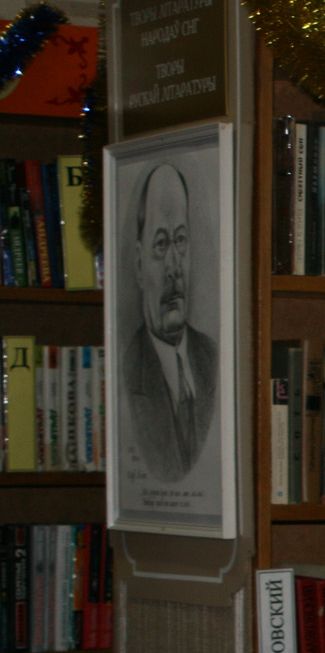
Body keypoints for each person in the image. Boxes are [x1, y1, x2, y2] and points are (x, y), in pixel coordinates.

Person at [120, 162, 218, 483]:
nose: (174, 266)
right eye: (161, 245)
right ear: (139, 264)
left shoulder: (213, 359)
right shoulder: (128, 370)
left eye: (181, 240)